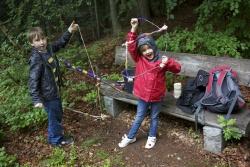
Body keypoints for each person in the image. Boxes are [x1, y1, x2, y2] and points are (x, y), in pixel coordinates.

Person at [118, 18, 181, 149]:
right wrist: (134, 29)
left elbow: (177, 69)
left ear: (153, 46)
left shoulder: (162, 61)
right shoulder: (139, 59)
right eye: (144, 50)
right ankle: (131, 137)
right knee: (139, 117)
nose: (147, 52)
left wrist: (168, 61)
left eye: (149, 48)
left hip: (157, 96)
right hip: (143, 95)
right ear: (140, 53)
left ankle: (152, 137)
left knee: (154, 117)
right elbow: (131, 45)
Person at [27, 22, 78, 147]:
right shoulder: (36, 58)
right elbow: (33, 79)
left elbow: (60, 43)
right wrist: (36, 99)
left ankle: (54, 137)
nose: (42, 42)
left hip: (55, 91)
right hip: (48, 95)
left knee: (57, 115)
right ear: (32, 43)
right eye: (37, 40)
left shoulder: (48, 49)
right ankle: (56, 140)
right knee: (54, 117)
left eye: (43, 38)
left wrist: (69, 31)